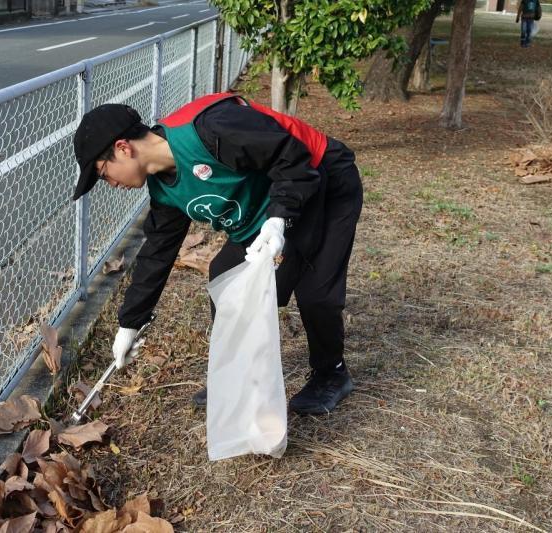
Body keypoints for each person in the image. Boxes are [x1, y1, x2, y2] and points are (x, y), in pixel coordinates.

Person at [72, 92, 363, 415]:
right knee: (226, 276)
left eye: (103, 173)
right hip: (268, 204)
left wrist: (279, 219)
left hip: (324, 176)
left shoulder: (213, 128)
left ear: (123, 148)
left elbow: (294, 158)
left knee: (315, 292)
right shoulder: (163, 188)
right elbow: (157, 253)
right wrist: (130, 323)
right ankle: (236, 377)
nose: (110, 183)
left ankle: (331, 374)